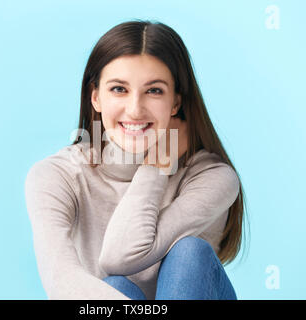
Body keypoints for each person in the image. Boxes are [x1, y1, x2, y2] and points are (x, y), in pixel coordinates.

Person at [25, 19, 247, 300]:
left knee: (189, 253)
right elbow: (61, 280)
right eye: (119, 89)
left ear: (175, 102)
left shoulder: (212, 177)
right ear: (96, 97)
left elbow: (121, 256)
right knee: (115, 285)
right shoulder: (57, 175)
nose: (135, 109)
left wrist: (156, 166)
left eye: (154, 90)